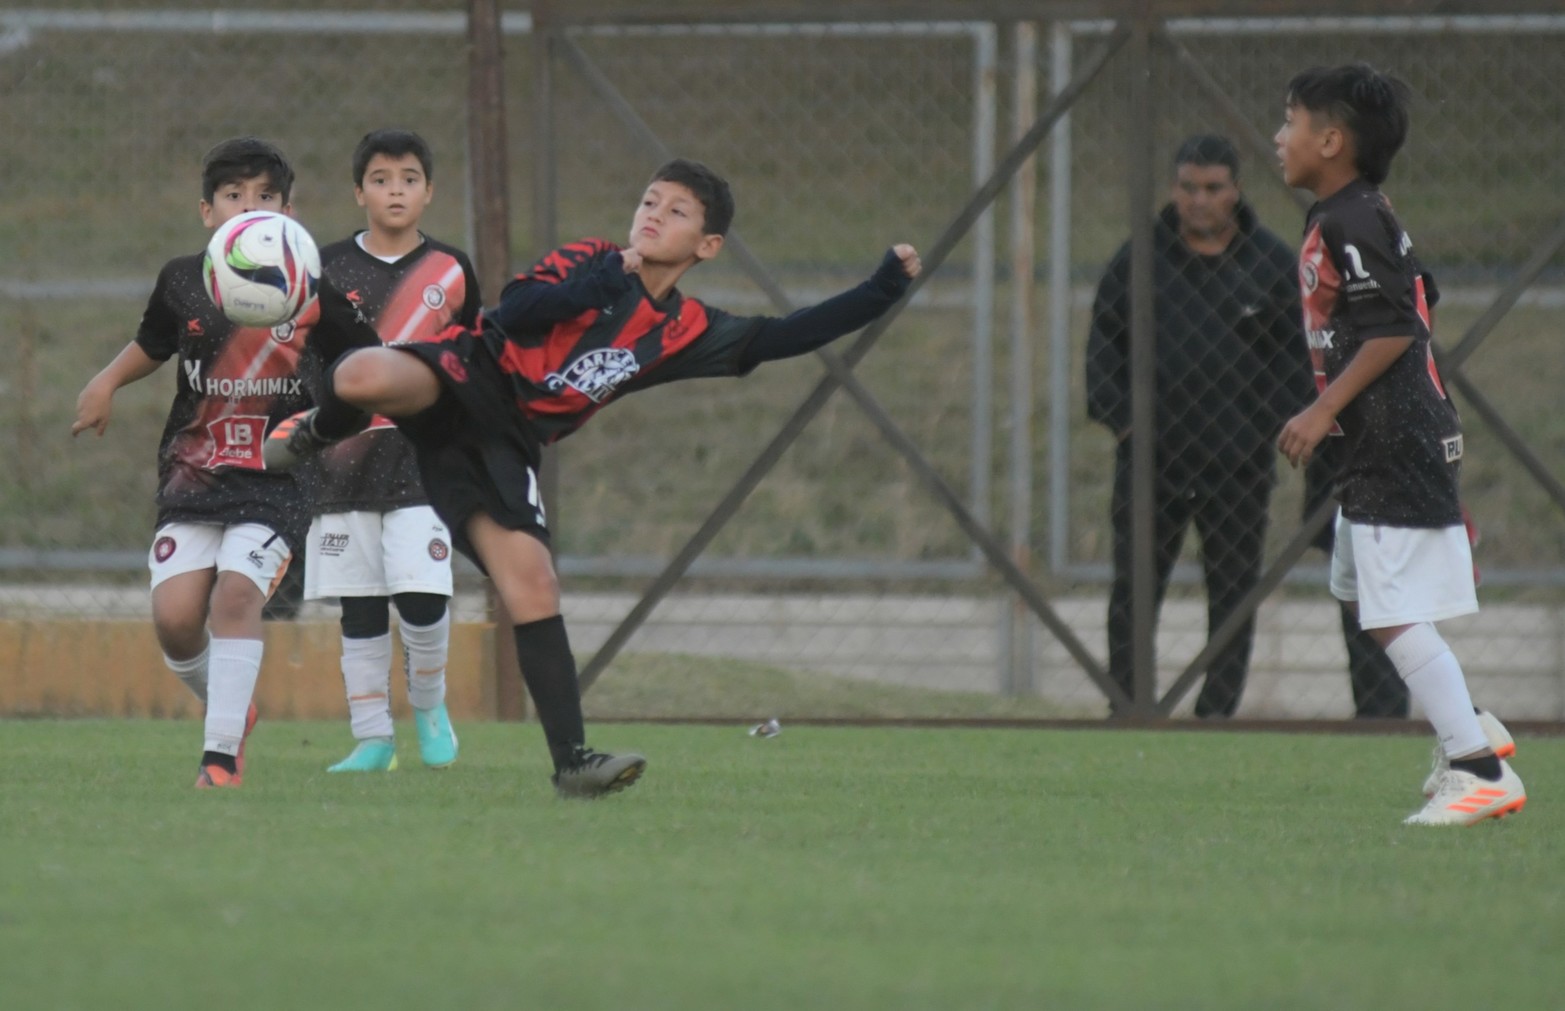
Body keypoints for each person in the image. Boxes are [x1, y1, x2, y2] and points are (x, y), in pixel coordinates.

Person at [265, 158, 922, 798]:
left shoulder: (685, 329)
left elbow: (783, 335)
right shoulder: (595, 258)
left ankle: (573, 762)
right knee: (358, 375)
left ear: (708, 243)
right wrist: (605, 279)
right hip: (467, 372)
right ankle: (322, 430)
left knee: (533, 583)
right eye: (649, 202)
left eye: (676, 211)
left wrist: (881, 288)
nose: (654, 216)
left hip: (503, 442)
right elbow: (518, 308)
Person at [1274, 63, 1523, 825]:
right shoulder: (1351, 213)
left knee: (1386, 612)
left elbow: (1393, 327)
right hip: (1382, 437)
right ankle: (1470, 722)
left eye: (1289, 121)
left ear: (1331, 139)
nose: (1278, 136)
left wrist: (1324, 409)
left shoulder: (1350, 221)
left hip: (1389, 438)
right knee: (1356, 588)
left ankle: (1479, 770)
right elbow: (1423, 303)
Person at [71, 137, 314, 788]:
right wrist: (105, 383)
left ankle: (219, 758)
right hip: (193, 473)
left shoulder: (313, 284)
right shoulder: (183, 278)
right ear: (207, 211)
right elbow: (152, 343)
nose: (248, 207)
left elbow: (358, 361)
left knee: (236, 596)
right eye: (233, 195)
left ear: (289, 211)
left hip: (277, 477)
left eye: (265, 196)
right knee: (177, 621)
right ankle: (234, 708)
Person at [1085, 135, 1311, 718]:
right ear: (1172, 188)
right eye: (1188, 187)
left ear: (1235, 190)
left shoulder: (1269, 263)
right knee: (1135, 587)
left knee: (1234, 593)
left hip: (1237, 463)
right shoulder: (1140, 260)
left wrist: (1267, 426)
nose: (1200, 200)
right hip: (1152, 460)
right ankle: (1129, 705)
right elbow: (1104, 346)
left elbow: (1296, 359)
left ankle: (1216, 712)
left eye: (1213, 188)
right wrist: (1125, 425)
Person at [300, 129, 482, 773]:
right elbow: (309, 360)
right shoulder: (325, 270)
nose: (395, 189)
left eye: (409, 178)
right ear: (359, 192)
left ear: (429, 192)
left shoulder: (452, 270)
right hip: (345, 461)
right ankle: (373, 738)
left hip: (425, 461)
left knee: (423, 596)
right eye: (381, 179)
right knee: (362, 605)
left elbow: (472, 364)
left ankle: (430, 709)